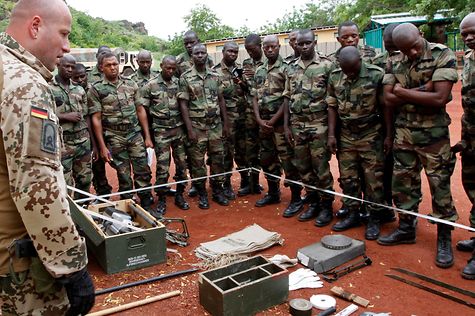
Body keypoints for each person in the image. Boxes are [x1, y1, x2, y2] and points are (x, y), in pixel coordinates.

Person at [0, 0, 94, 314]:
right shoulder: (26, 86)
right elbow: (36, 186)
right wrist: (72, 266)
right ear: (36, 26)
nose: (67, 47)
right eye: (64, 34)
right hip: (18, 265)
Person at [378, 23, 459, 269]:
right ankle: (406, 227)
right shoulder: (395, 60)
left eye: (414, 47)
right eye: (405, 50)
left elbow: (439, 98)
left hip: (434, 136)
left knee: (439, 185)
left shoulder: (442, 54)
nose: (411, 54)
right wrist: (423, 90)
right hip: (404, 134)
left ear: (421, 35)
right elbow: (388, 98)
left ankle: (444, 237)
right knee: (403, 183)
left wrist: (403, 91)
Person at [327, 46, 389, 240]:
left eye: (353, 69)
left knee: (373, 180)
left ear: (360, 61)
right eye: (347, 71)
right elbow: (332, 106)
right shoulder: (335, 76)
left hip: (371, 133)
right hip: (346, 135)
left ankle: (373, 218)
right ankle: (353, 213)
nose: (350, 74)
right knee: (348, 178)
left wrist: (389, 135)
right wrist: (331, 135)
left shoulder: (376, 74)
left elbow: (386, 105)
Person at [88, 52, 154, 211]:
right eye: (108, 65)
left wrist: (147, 136)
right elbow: (96, 119)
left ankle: (145, 200)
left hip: (134, 134)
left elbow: (140, 110)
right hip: (114, 137)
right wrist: (102, 146)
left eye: (115, 64)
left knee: (142, 169)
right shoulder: (96, 89)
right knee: (123, 173)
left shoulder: (131, 84)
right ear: (101, 68)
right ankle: (128, 204)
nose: (113, 68)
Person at [283, 29, 334, 226]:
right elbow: (287, 97)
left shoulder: (327, 65)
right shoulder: (291, 68)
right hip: (297, 125)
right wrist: (287, 126)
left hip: (318, 124)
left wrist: (331, 131)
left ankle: (326, 206)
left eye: (307, 43)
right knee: (303, 167)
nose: (304, 46)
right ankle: (312, 201)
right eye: (300, 43)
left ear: (315, 42)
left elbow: (332, 101)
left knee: (320, 167)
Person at [252, 35, 303, 216]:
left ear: (279, 46)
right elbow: (254, 97)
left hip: (280, 124)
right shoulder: (259, 71)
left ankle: (296, 198)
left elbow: (287, 98)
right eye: (266, 47)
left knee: (288, 161)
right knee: (267, 159)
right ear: (263, 48)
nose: (270, 50)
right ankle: (273, 192)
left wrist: (273, 121)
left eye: (273, 46)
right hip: (263, 124)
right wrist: (259, 120)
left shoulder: (287, 68)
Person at [178, 43, 230, 209]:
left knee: (218, 160)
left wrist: (226, 123)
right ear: (192, 56)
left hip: (215, 126)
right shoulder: (185, 77)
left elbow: (221, 99)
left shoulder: (215, 75)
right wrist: (190, 130)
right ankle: (202, 193)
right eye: (196, 53)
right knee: (197, 163)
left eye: (202, 53)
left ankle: (217, 191)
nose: (200, 56)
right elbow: (183, 105)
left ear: (207, 55)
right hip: (197, 128)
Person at [138, 55, 189, 216]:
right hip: (161, 132)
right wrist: (147, 134)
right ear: (161, 66)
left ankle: (180, 195)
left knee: (182, 165)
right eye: (168, 68)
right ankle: (161, 198)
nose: (171, 71)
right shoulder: (150, 85)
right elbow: (143, 110)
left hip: (179, 130)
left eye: (174, 68)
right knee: (162, 167)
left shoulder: (179, 82)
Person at [50, 55, 96, 201]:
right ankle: (69, 217)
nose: (70, 69)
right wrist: (64, 116)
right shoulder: (48, 87)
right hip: (63, 144)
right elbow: (42, 114)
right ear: (58, 65)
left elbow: (87, 116)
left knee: (85, 181)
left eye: (72, 67)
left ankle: (83, 212)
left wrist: (92, 143)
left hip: (83, 142)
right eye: (66, 66)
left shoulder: (79, 89)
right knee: (65, 184)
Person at [175, 30, 213, 198]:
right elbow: (176, 85)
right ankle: (196, 185)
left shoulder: (207, 59)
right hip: (190, 116)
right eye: (186, 44)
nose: (189, 46)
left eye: (192, 42)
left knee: (212, 153)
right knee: (193, 156)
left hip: (209, 117)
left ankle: (215, 185)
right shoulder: (179, 61)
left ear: (198, 41)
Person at [212, 42, 247, 200]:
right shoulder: (215, 72)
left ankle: (246, 182)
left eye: (235, 51)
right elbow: (218, 99)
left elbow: (248, 90)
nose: (233, 54)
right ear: (223, 52)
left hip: (243, 117)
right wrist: (225, 123)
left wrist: (243, 81)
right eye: (230, 51)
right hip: (227, 120)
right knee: (226, 153)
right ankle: (225, 184)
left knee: (243, 151)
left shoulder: (241, 70)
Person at [456, 12, 475, 280]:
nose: (469, 38)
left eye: (473, 33)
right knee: (471, 186)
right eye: (465, 34)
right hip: (471, 135)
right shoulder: (469, 59)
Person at [238, 33, 265, 196]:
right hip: (249, 113)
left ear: (260, 46)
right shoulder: (246, 63)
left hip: (266, 112)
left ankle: (273, 188)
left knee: (268, 150)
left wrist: (253, 78)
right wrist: (241, 82)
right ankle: (253, 183)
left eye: (252, 49)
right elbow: (246, 89)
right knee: (251, 149)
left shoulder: (269, 62)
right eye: (247, 50)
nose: (249, 53)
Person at [88, 45, 113, 200]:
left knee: (116, 160)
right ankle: (102, 191)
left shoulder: (113, 71)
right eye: (102, 54)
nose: (105, 55)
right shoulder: (89, 76)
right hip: (94, 126)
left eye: (107, 53)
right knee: (97, 163)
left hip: (111, 127)